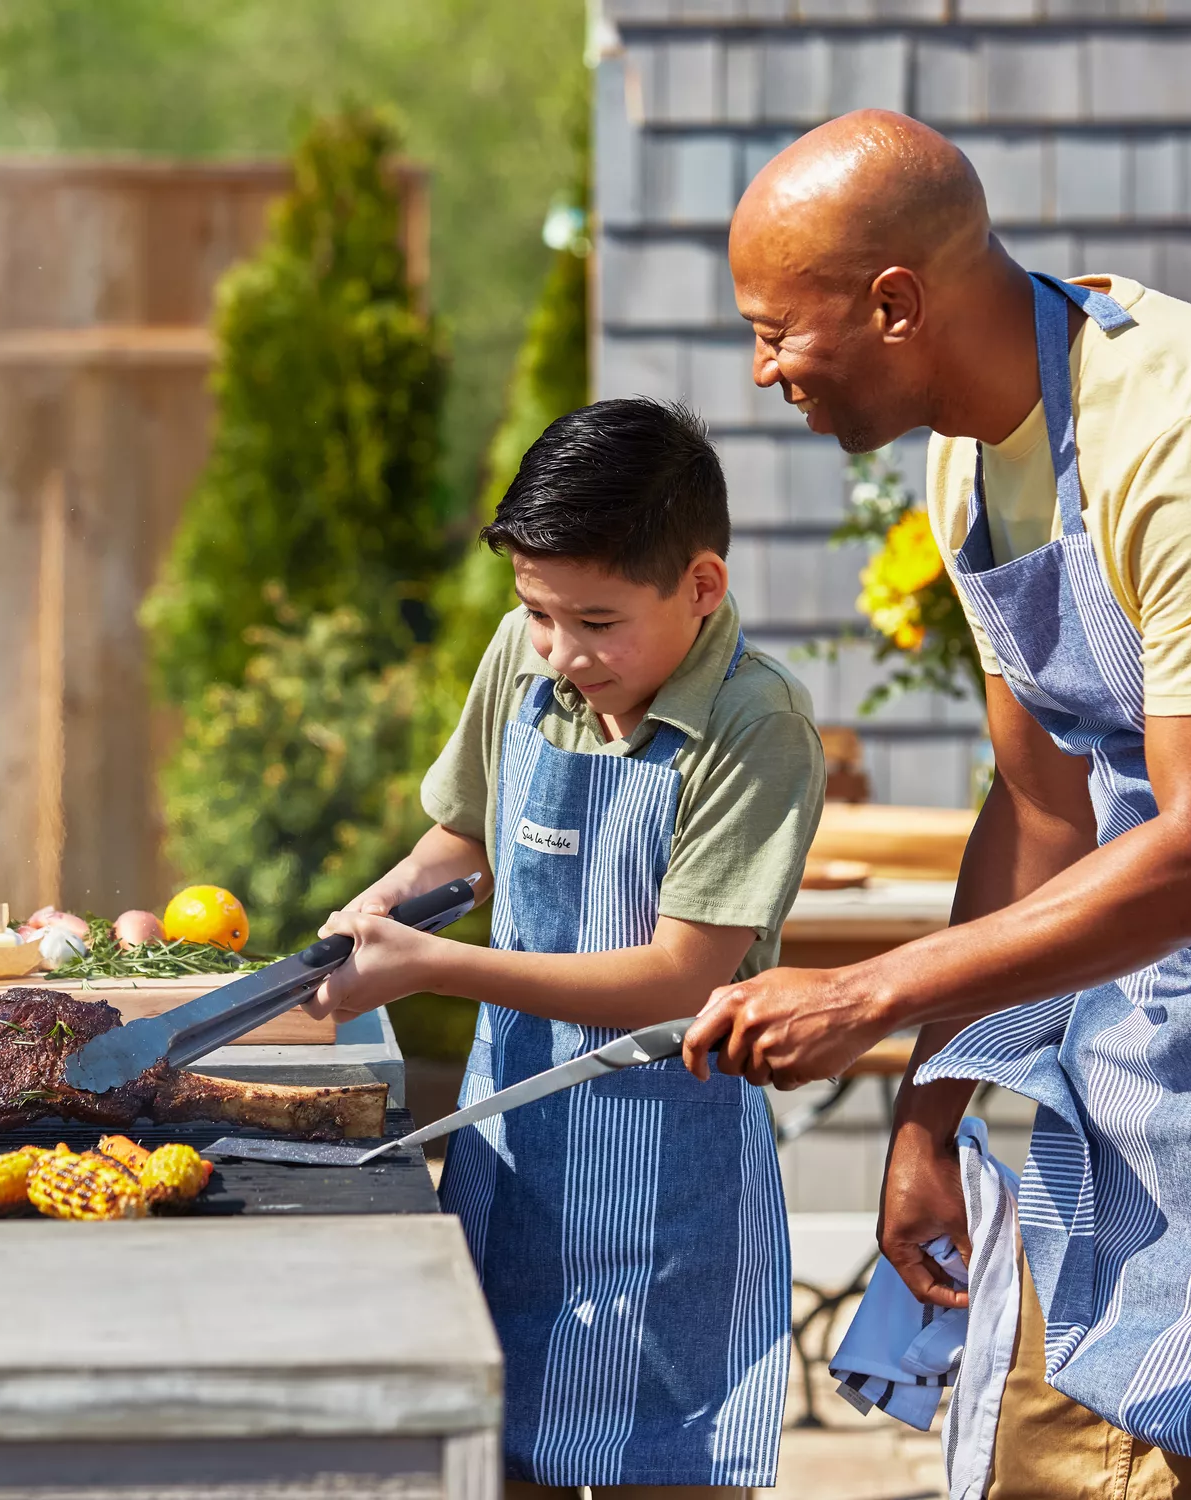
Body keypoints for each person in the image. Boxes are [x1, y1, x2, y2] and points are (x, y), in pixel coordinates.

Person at [683, 109, 1191, 1497]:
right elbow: (1044, 810)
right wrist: (930, 1115)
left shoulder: (1189, 439)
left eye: (774, 329)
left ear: (894, 303)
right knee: (1043, 1456)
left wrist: (869, 997)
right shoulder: (967, 460)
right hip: (1156, 1038)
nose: (760, 372)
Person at [307, 398, 825, 1494]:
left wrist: (436, 964)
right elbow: (464, 834)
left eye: (596, 623)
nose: (561, 653)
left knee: (664, 1471)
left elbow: (677, 977)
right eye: (538, 615)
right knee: (501, 1463)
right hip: (513, 1156)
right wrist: (379, 909)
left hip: (675, 1192)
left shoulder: (757, 722)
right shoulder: (524, 656)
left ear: (700, 587)